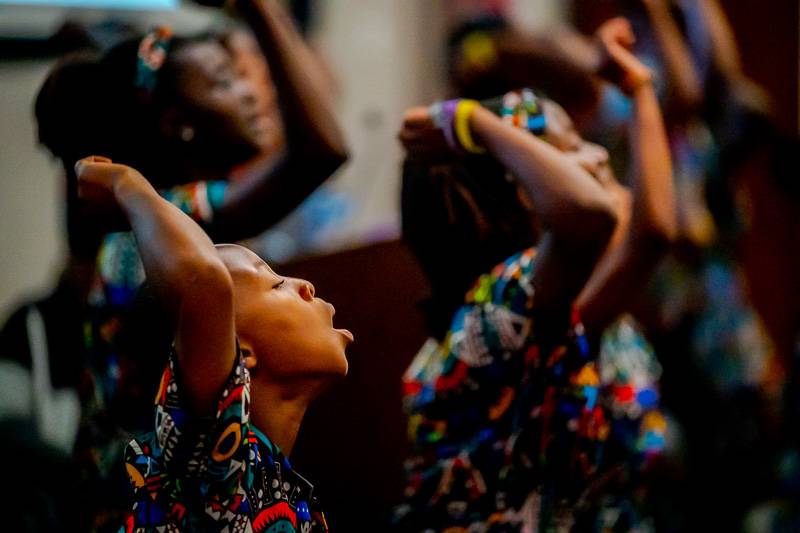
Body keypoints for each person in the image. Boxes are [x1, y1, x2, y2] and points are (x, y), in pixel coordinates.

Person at [28, 0, 348, 528]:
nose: (250, 94)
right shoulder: (160, 224)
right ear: (180, 124)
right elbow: (319, 151)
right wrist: (262, 8)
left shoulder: (149, 223)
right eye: (225, 82)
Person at [394, 17, 674, 530]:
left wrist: (637, 88)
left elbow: (638, 226)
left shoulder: (565, 302)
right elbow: (634, 228)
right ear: (533, 193)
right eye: (569, 153)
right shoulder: (494, 316)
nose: (595, 155)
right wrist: (471, 122)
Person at [74, 155, 352, 531]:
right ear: (238, 351)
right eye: (276, 284)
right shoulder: (202, 462)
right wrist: (124, 182)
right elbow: (203, 282)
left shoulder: (275, 484)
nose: (305, 286)